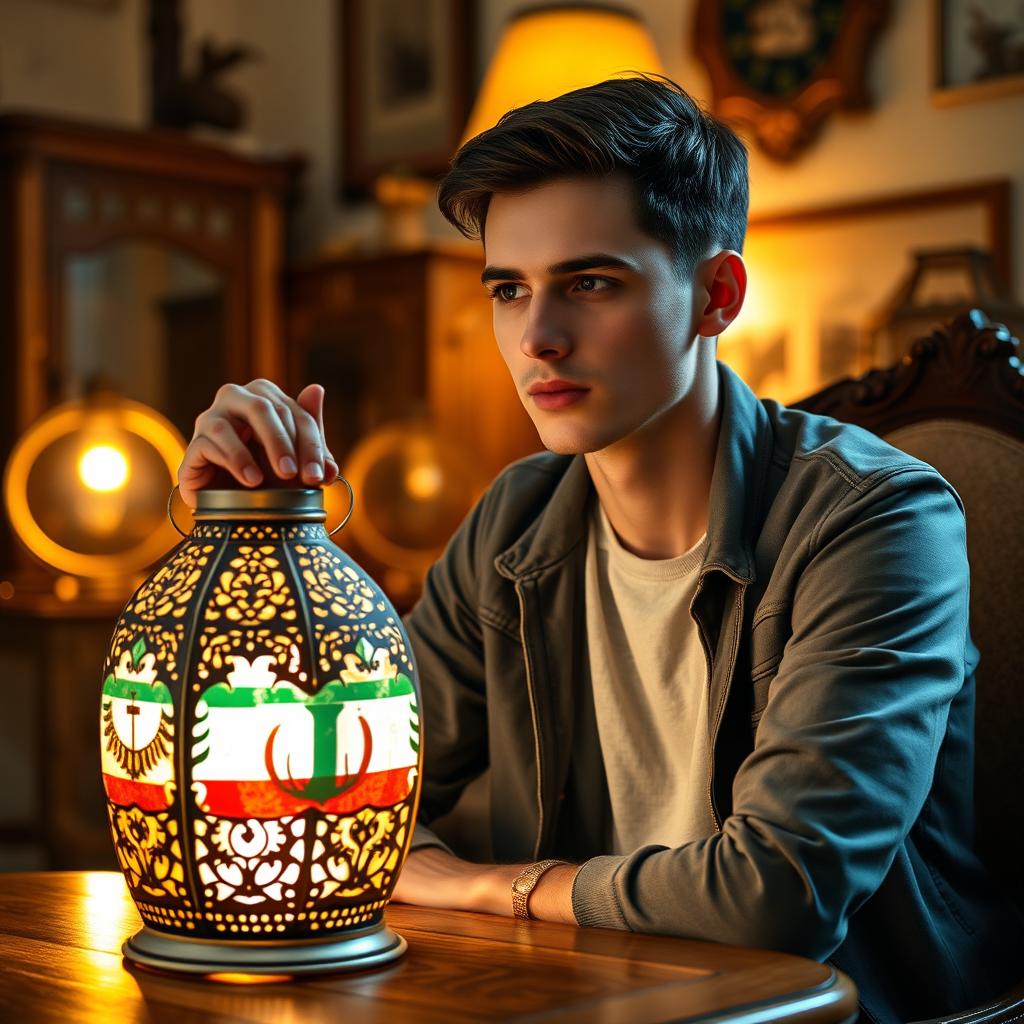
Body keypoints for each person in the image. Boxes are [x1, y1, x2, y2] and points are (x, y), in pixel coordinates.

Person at [178, 75, 1023, 1022]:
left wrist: (482, 886)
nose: (537, 337)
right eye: (509, 289)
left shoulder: (877, 521)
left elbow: (776, 898)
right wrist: (245, 539)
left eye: (589, 283)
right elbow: (307, 788)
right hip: (577, 997)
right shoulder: (517, 519)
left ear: (716, 294)